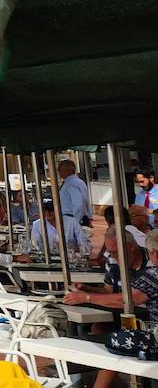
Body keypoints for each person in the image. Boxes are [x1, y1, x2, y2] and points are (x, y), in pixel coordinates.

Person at [63, 230, 158, 388]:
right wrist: (88, 290)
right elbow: (111, 292)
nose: (112, 256)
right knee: (101, 329)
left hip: (147, 326)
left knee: (116, 345)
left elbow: (128, 299)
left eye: (115, 252)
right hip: (138, 322)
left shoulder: (154, 273)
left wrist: (86, 297)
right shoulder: (113, 263)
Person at [56, 158, 91, 226]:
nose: (59, 172)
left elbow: (78, 205)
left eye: (60, 170)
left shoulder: (71, 183)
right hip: (76, 218)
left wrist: (75, 222)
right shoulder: (78, 182)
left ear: (67, 170)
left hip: (72, 218)